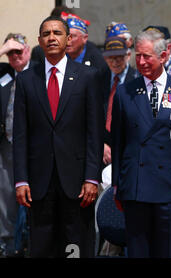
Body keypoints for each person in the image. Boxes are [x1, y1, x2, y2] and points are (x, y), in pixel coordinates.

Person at [13, 16, 103, 258]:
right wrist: (21, 179)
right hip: (38, 183)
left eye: (57, 33)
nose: (52, 37)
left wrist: (91, 178)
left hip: (77, 184)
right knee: (42, 248)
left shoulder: (88, 77)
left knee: (76, 247)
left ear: (68, 39)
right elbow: (20, 134)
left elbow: (94, 133)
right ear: (39, 41)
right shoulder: (26, 80)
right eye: (46, 33)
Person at [111, 30, 171, 258]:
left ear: (165, 55)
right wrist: (118, 185)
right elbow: (119, 142)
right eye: (138, 56)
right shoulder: (125, 92)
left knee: (168, 250)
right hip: (135, 188)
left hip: (169, 186)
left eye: (147, 56)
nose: (141, 62)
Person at [0, 33, 34, 257]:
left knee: (32, 195)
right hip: (6, 144)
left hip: (33, 146)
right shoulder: (3, 74)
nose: (14, 56)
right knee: (5, 196)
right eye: (10, 53)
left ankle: (31, 242)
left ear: (28, 50)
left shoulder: (38, 73)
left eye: (18, 51)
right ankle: (6, 243)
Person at [102, 36, 137, 166]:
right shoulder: (98, 79)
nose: (115, 62)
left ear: (128, 56)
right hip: (103, 150)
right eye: (110, 58)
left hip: (129, 148)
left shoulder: (137, 79)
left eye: (119, 57)